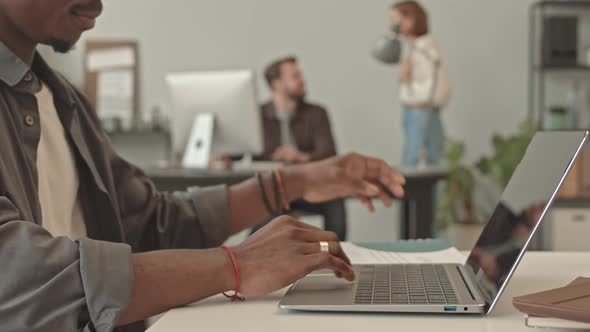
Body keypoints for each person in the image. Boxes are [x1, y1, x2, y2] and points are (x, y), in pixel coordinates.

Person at [0, 1, 406, 331]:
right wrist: (236, 264)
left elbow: (150, 224)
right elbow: (18, 280)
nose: (100, 4)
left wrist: (293, 182)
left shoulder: (63, 99)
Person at [251, 56, 348, 239]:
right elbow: (242, 148)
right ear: (276, 84)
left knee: (335, 198)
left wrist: (300, 157)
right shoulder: (258, 116)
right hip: (274, 189)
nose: (302, 80)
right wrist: (222, 156)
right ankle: (248, 256)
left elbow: (328, 153)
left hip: (309, 189)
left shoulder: (316, 113)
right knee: (264, 215)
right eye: (295, 76)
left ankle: (334, 252)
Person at [390, 1, 451, 167]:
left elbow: (431, 83)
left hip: (419, 108)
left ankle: (410, 192)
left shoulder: (423, 49)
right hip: (424, 108)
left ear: (409, 20)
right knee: (434, 155)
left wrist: (408, 83)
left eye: (395, 20)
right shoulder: (420, 47)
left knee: (413, 157)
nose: (392, 26)